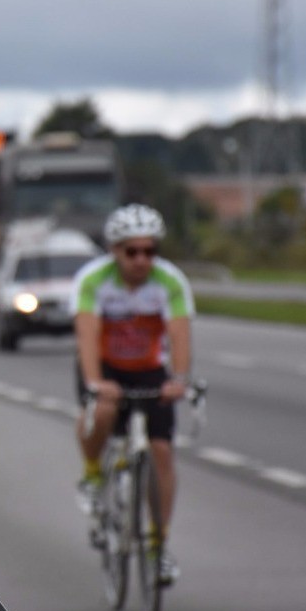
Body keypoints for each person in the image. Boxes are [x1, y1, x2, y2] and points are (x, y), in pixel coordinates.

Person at [70, 203, 195, 586]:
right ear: (115, 251)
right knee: (104, 409)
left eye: (149, 251)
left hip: (149, 370)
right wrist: (95, 382)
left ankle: (158, 547)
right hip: (105, 368)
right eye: (132, 251)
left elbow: (179, 334)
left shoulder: (170, 282)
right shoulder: (93, 280)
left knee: (161, 452)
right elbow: (87, 336)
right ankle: (93, 475)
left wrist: (179, 378)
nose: (142, 260)